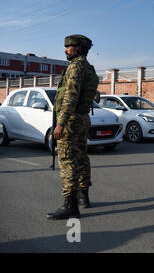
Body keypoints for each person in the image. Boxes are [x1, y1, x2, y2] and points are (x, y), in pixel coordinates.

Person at [47, 34, 99, 220]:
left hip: (71, 120)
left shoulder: (75, 67)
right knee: (82, 157)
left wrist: (60, 124)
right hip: (83, 118)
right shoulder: (88, 68)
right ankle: (83, 196)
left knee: (68, 159)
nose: (65, 50)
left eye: (69, 47)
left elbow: (70, 96)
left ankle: (70, 205)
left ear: (78, 48)